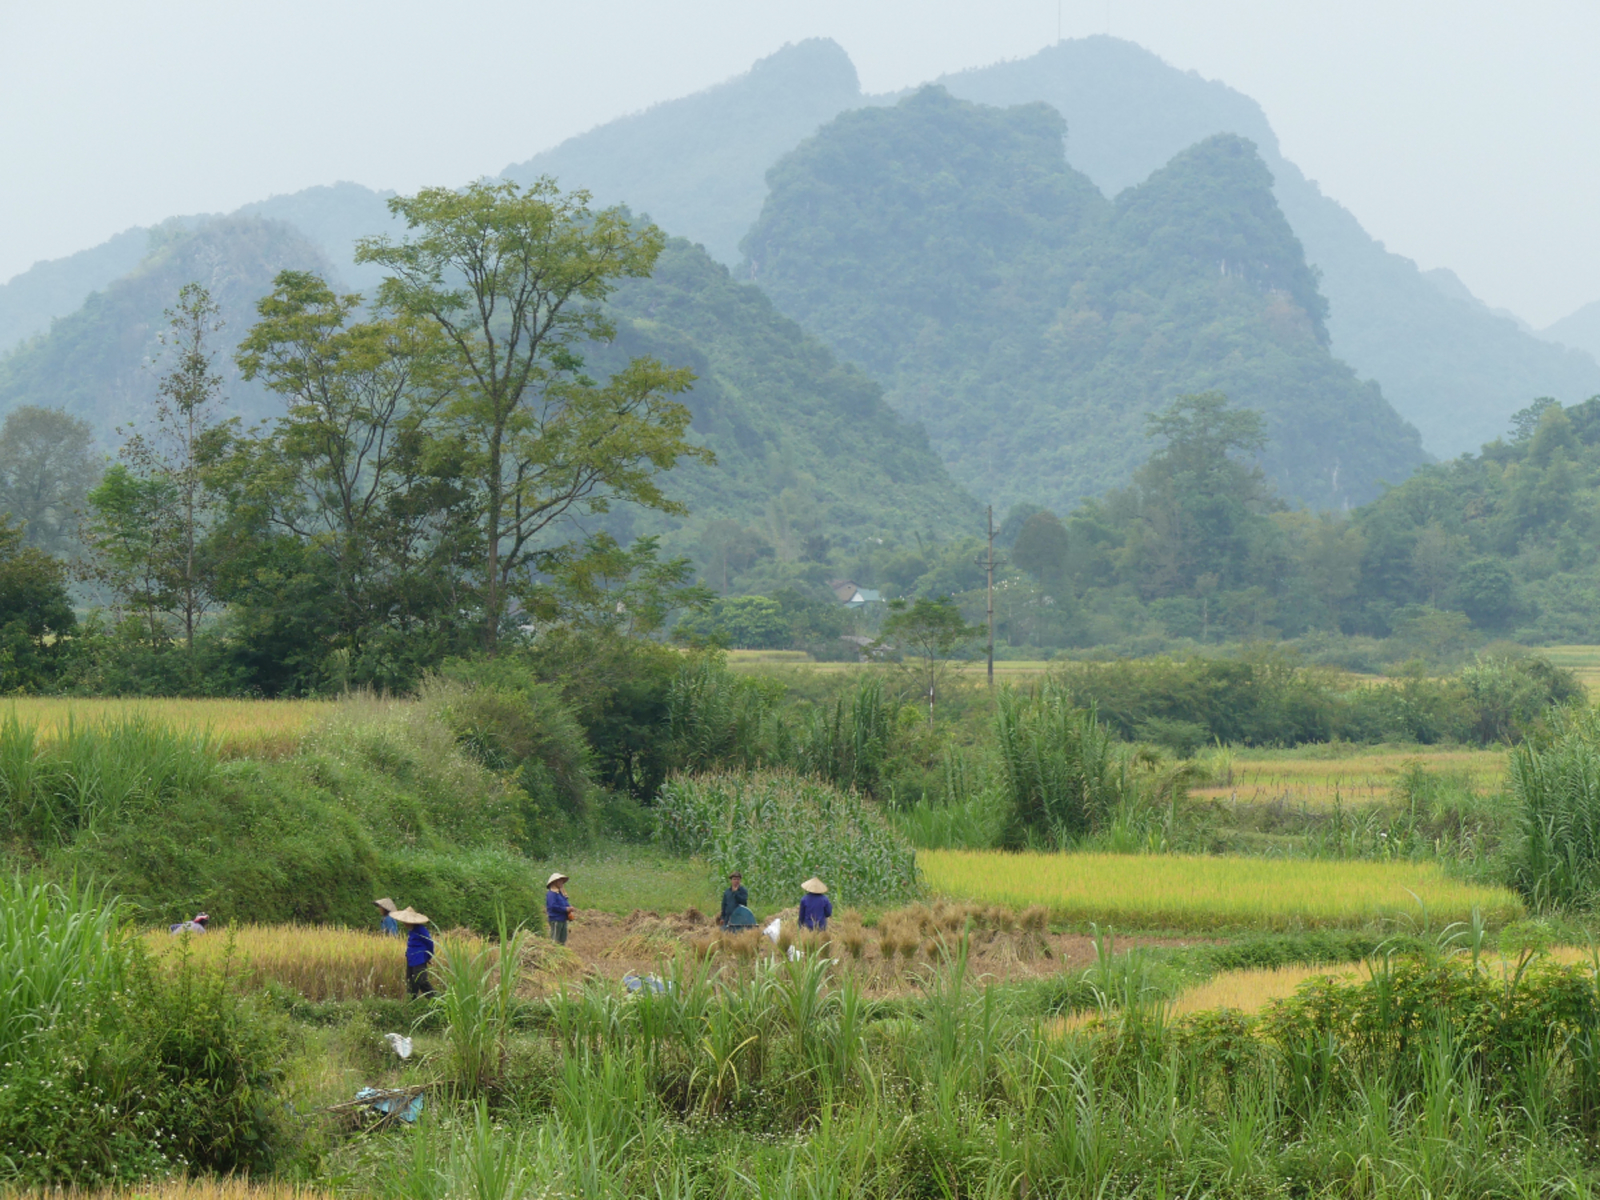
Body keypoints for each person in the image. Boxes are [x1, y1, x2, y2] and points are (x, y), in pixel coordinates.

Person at [391, 908, 435, 997]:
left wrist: (429, 956)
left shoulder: (421, 929)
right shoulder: (411, 930)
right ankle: (412, 1001)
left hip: (419, 959)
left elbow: (429, 942)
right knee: (411, 982)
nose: (405, 924)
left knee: (421, 981)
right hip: (411, 958)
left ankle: (436, 1000)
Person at [546, 872, 575, 945]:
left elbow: (565, 903)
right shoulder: (551, 894)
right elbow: (552, 906)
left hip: (563, 919)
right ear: (554, 882)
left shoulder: (561, 894)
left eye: (562, 881)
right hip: (556, 919)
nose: (561, 883)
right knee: (555, 940)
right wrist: (565, 909)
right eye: (559, 881)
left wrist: (570, 908)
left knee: (562, 941)